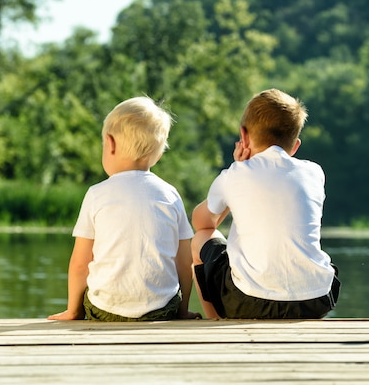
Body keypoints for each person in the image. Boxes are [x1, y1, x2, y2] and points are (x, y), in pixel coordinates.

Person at [191, 88, 341, 319]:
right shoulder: (314, 172)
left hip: (250, 302)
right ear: (295, 146)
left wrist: (236, 176)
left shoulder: (236, 174)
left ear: (244, 135)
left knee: (200, 239)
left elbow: (201, 223)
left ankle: (214, 321)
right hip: (315, 300)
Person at [48, 97, 200, 321]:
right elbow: (185, 264)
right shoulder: (170, 195)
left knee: (92, 293)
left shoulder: (96, 194)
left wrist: (73, 311)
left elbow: (80, 264)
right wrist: (182, 310)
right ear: (158, 155)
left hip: (105, 311)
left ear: (110, 143)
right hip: (160, 311)